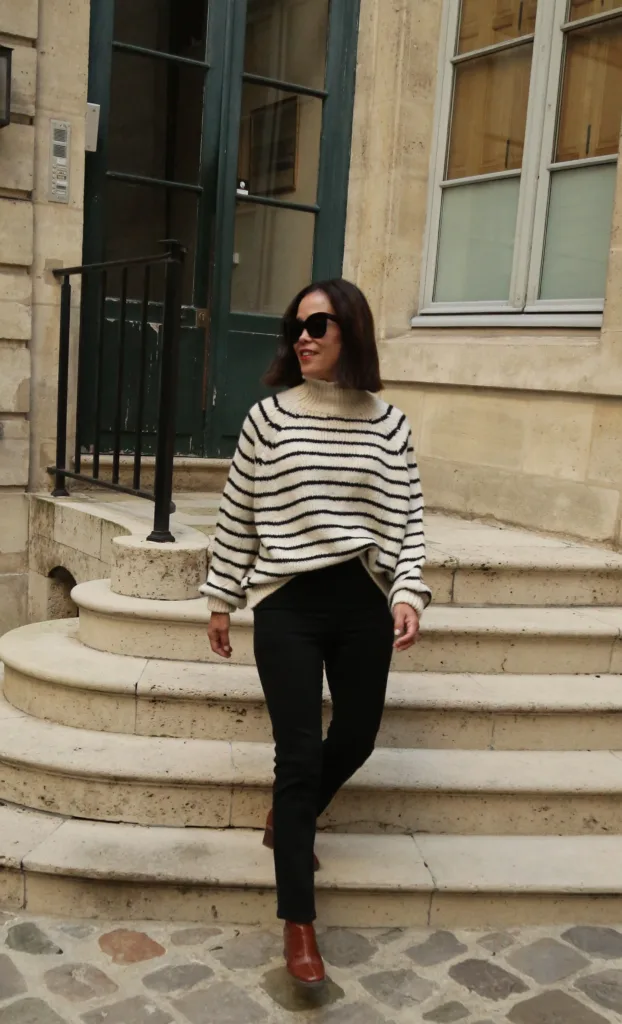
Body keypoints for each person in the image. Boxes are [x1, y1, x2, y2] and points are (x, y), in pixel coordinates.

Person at [202, 279, 431, 988]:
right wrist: (221, 597)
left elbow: (409, 521)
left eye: (318, 324)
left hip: (362, 603)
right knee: (298, 757)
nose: (302, 337)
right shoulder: (268, 419)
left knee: (357, 735)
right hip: (287, 605)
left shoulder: (390, 425)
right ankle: (299, 925)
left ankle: (289, 816)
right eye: (296, 327)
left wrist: (407, 592)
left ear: (350, 331)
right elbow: (238, 514)